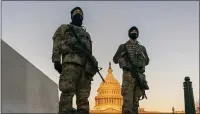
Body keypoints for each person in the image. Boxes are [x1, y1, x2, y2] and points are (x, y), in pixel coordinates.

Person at [51, 7, 95, 114]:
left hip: (85, 70)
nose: (79, 14)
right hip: (70, 64)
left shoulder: (87, 34)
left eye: (81, 13)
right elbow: (56, 44)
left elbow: (89, 52)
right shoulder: (64, 28)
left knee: (83, 99)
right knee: (67, 93)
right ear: (71, 16)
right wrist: (56, 60)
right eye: (76, 12)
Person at [113, 26, 150, 114]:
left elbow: (147, 61)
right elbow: (115, 59)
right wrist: (123, 61)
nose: (134, 32)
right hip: (128, 76)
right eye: (132, 31)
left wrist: (140, 62)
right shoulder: (123, 47)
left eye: (135, 31)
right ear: (129, 34)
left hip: (139, 77)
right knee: (127, 105)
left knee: (135, 104)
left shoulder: (142, 48)